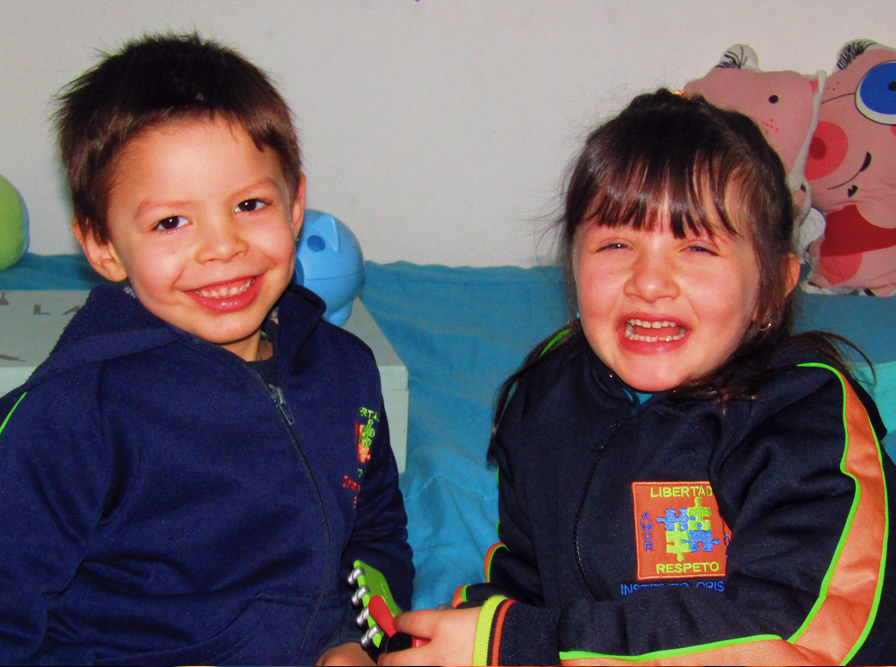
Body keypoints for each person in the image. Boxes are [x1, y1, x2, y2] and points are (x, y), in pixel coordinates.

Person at [0, 33, 412, 666]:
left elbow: (376, 531)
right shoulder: (77, 413)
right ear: (103, 246)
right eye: (171, 222)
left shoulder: (346, 371)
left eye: (249, 204)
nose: (222, 247)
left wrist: (360, 641)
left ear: (295, 207)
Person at [379, 89, 896, 666]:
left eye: (697, 247)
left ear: (771, 289)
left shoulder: (802, 420)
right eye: (617, 243)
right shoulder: (545, 397)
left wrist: (519, 645)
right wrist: (447, 637)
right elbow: (527, 585)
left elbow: (795, 639)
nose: (649, 283)